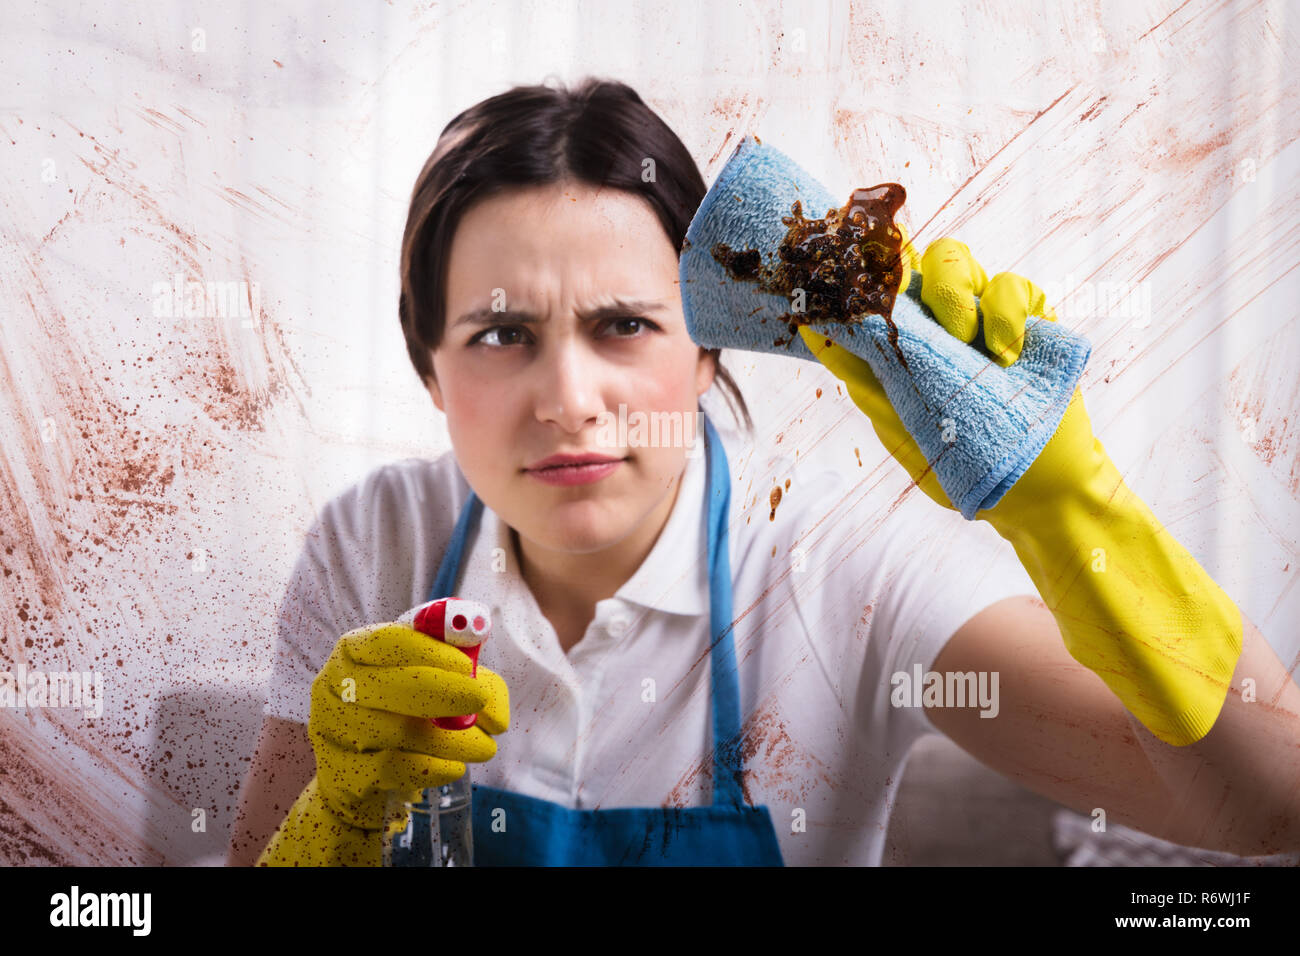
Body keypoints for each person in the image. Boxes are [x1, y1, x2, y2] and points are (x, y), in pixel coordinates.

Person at [228, 77, 1300, 867]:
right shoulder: (375, 542)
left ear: (708, 346)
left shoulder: (838, 564)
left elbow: (1263, 809)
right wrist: (338, 820)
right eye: (500, 335)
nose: (567, 395)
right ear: (429, 366)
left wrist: (1066, 511)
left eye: (622, 324)